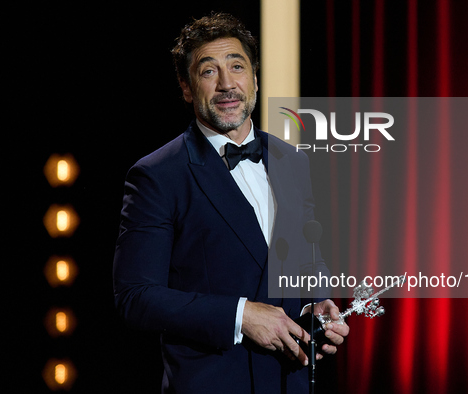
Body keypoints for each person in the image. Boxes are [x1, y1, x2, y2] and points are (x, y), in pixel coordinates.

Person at [113, 13, 349, 393]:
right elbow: (136, 297)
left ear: (254, 78)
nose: (227, 84)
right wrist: (240, 315)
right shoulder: (157, 175)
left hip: (293, 381)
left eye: (237, 67)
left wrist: (317, 303)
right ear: (187, 88)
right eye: (208, 72)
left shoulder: (293, 160)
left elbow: (307, 259)